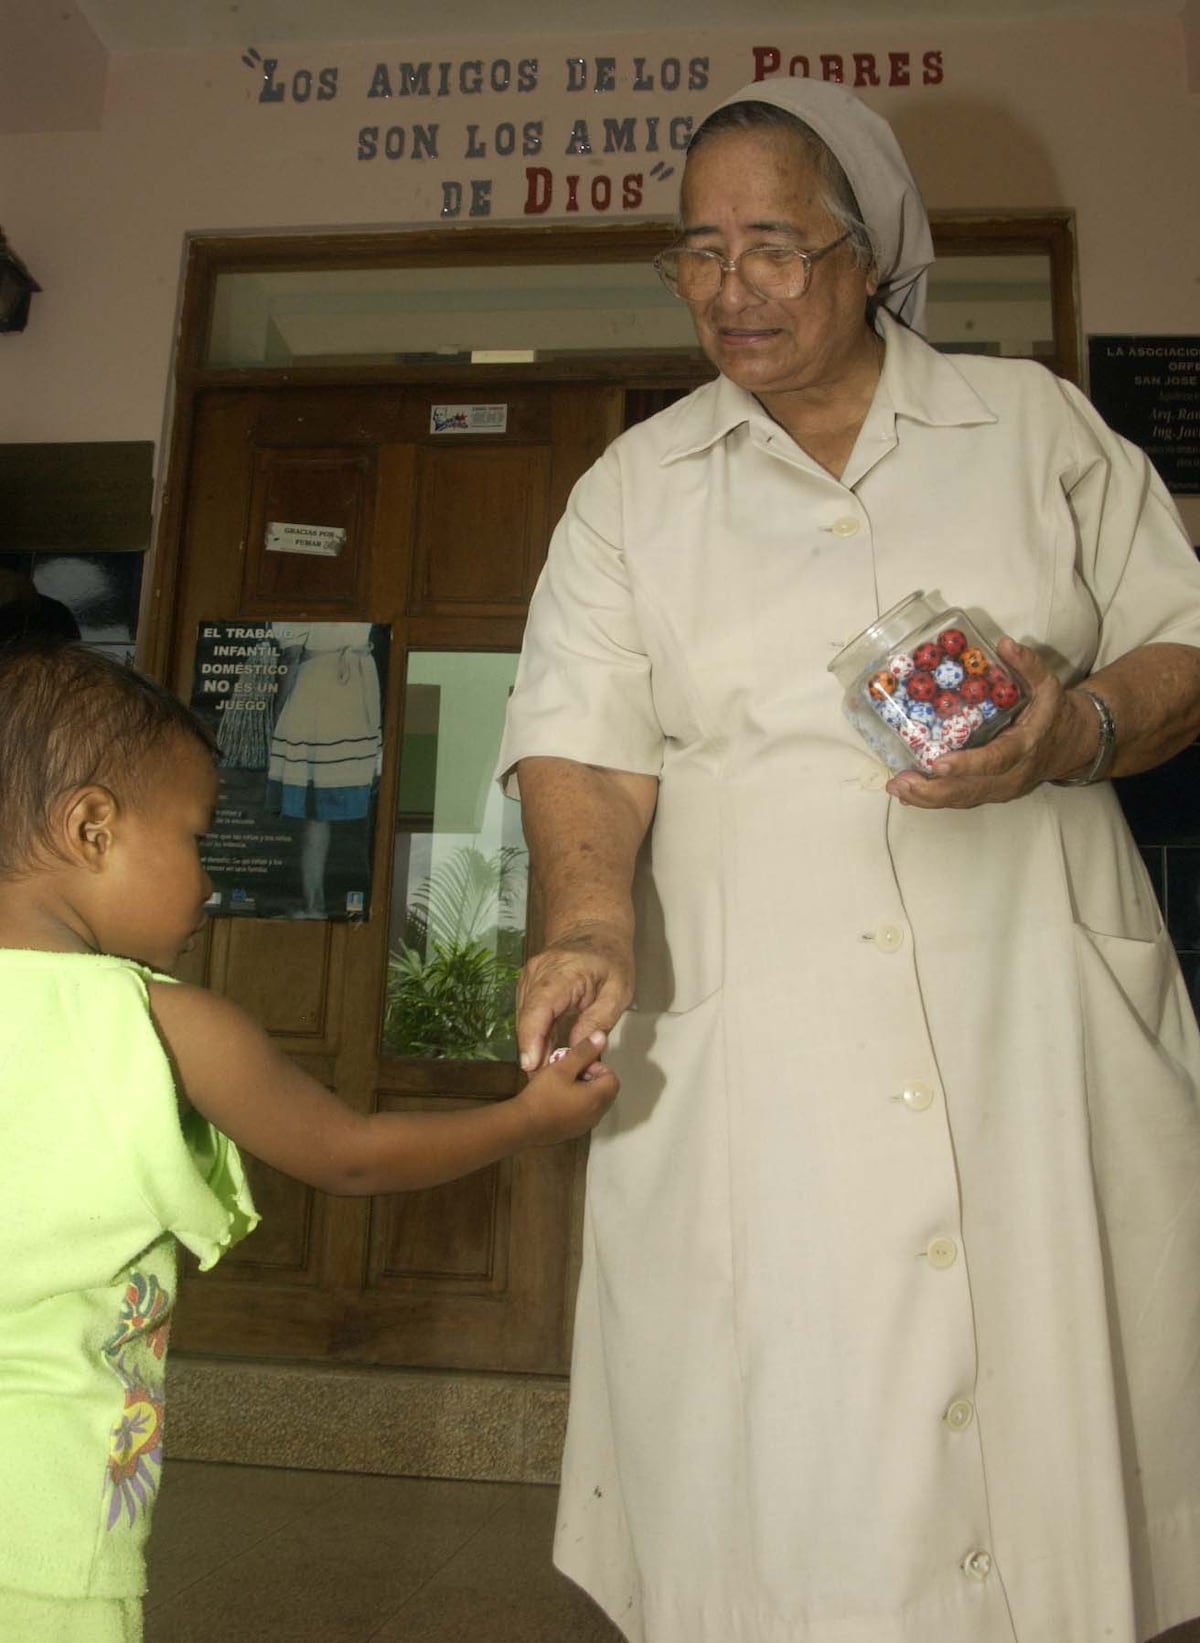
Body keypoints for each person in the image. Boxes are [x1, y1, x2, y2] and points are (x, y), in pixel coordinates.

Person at [496, 73, 1200, 1643]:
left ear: (866, 252)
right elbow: (583, 741)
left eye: (772, 244)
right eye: (697, 250)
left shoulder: (1031, 429)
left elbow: (1186, 642)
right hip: (766, 1038)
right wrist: (591, 921)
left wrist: (1074, 726)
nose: (729, 286)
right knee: (788, 1459)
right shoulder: (634, 491)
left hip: (1034, 1008)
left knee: (1055, 1440)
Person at [0, 640, 617, 1643]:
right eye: (198, 839)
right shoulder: (158, 1022)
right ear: (91, 826)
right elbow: (352, 1153)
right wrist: (532, 1116)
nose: (212, 884)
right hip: (41, 1509)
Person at [264, 620, 383, 917]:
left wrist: (277, 713)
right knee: (350, 796)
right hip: (357, 685)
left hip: (319, 691)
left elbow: (291, 658)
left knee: (317, 811)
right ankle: (338, 902)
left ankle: (316, 903)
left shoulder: (300, 609)